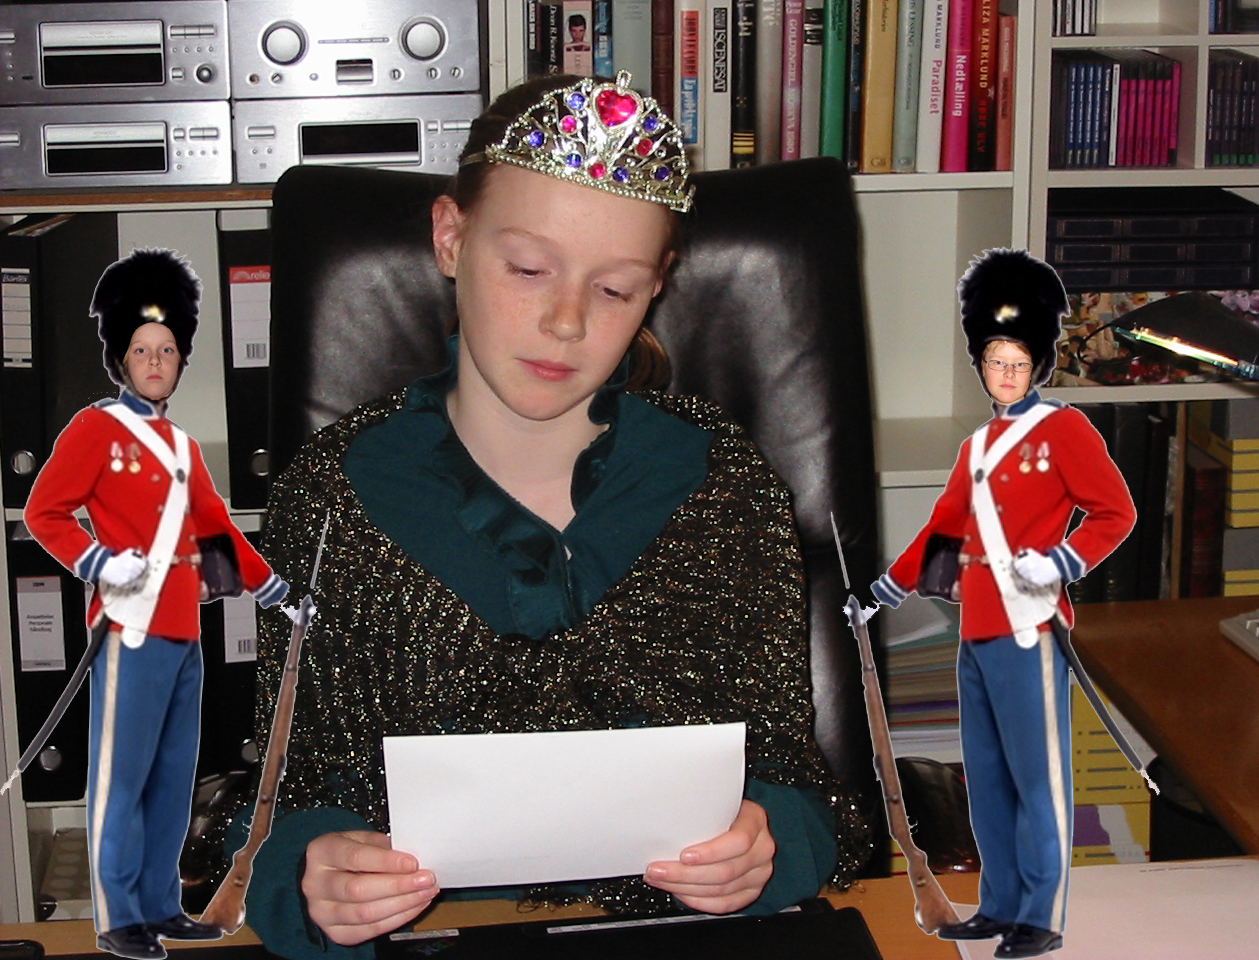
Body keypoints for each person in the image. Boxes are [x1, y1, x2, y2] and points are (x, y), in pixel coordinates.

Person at [230, 72, 872, 960]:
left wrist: (767, 846)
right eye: (529, 270)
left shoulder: (720, 486)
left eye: (615, 290)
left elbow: (797, 787)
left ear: (658, 286)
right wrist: (310, 879)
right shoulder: (334, 497)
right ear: (451, 237)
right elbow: (283, 799)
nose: (566, 322)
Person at [866, 250, 1136, 960]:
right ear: (980, 364)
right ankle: (1000, 905)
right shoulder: (976, 447)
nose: (1006, 373)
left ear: (1038, 363)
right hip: (976, 630)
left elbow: (1115, 513)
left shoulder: (1065, 432)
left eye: (1017, 361)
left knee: (1036, 782)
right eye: (994, 361)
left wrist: (1062, 560)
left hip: (1027, 626)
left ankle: (1040, 917)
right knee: (986, 780)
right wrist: (889, 588)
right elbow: (944, 528)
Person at [24, 250, 290, 960]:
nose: (154, 361)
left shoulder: (182, 448)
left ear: (180, 361)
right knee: (123, 782)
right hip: (131, 628)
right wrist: (97, 561)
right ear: (120, 357)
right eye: (142, 349)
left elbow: (216, 529)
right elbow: (45, 512)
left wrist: (271, 588)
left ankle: (161, 905)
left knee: (173, 780)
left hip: (184, 632)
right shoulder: (95, 430)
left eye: (167, 350)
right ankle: (119, 918)